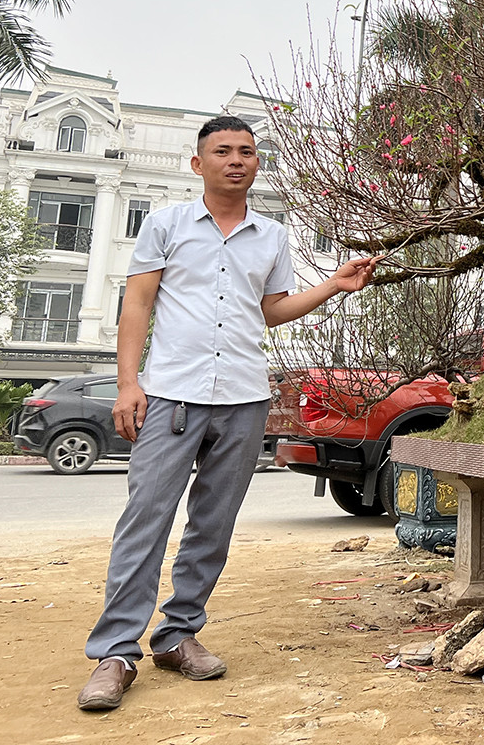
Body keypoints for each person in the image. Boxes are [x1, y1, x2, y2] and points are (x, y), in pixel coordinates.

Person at [77, 115, 379, 712]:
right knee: (147, 518)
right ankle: (115, 652)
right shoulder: (165, 224)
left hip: (243, 396)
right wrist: (128, 384)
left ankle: (177, 634)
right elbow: (137, 304)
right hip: (170, 394)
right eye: (222, 151)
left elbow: (270, 309)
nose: (235, 160)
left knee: (213, 525)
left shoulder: (272, 235)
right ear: (199, 163)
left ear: (257, 164)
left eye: (246, 151)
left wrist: (334, 286)